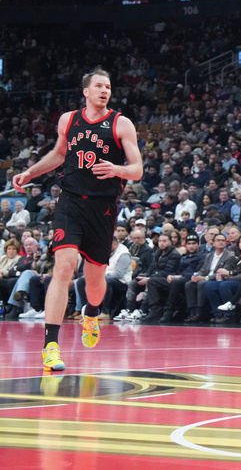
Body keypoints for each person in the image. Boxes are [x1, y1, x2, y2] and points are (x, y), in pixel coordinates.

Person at [11, 68, 143, 371]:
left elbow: (137, 169)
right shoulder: (68, 120)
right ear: (86, 91)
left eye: (108, 87)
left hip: (103, 207)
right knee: (64, 266)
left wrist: (118, 170)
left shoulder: (121, 123)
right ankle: (51, 346)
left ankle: (91, 311)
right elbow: (59, 153)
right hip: (70, 202)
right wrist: (31, 173)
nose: (105, 90)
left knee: (94, 282)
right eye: (99, 86)